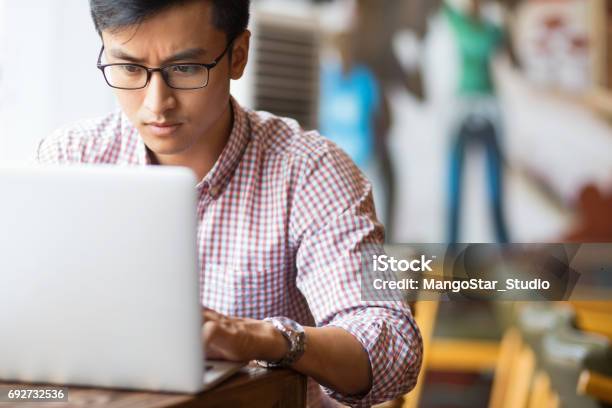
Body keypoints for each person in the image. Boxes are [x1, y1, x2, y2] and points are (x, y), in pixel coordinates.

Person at [35, 1, 422, 407]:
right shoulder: (71, 156)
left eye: (185, 68)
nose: (156, 104)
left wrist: (263, 339)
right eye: (130, 68)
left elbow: (393, 348)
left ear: (238, 55)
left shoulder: (310, 173)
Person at [444, 0, 510, 243]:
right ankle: (451, 247)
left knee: (493, 185)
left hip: (487, 108)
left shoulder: (490, 28)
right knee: (455, 186)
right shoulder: (467, 25)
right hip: (464, 108)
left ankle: (504, 246)